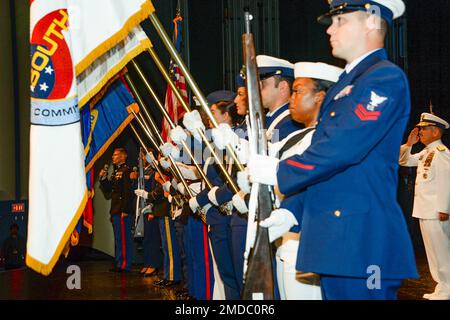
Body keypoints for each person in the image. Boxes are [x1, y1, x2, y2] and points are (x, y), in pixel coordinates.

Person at [246, 0, 418, 299]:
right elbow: (332, 167)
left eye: (341, 21)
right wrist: (293, 211)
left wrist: (280, 171)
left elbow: (342, 148)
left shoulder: (383, 78)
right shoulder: (347, 85)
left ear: (371, 23)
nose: (330, 29)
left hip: (363, 240)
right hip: (338, 240)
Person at [399, 113, 450, 300]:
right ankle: (442, 287)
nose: (419, 132)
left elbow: (446, 181)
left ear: (435, 131)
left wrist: (444, 208)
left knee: (442, 251)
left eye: (423, 129)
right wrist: (409, 144)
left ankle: (447, 288)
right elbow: (404, 160)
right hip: (425, 210)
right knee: (433, 252)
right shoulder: (426, 152)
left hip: (436, 211)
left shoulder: (441, 153)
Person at [99, 147, 134, 272]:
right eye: (113, 155)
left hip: (122, 211)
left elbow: (127, 193)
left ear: (123, 156)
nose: (113, 157)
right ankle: (119, 263)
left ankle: (125, 264)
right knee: (119, 238)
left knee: (124, 239)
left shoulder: (126, 171)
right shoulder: (115, 172)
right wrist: (103, 179)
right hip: (115, 209)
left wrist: (125, 210)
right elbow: (109, 190)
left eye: (115, 155)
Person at [256, 55, 303, 143]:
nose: (257, 90)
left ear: (282, 87)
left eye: (263, 85)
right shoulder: (269, 118)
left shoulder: (289, 124)